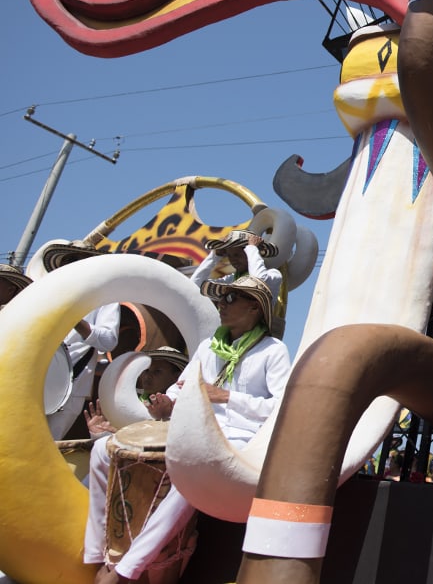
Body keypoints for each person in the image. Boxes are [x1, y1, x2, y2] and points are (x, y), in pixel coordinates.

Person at [83, 275, 291, 584]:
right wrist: (167, 403)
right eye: (221, 298)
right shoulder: (210, 346)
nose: (222, 304)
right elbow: (184, 388)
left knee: (191, 471)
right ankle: (100, 553)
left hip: (239, 440)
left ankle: (128, 568)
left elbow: (282, 407)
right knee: (103, 449)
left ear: (254, 308)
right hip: (194, 429)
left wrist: (228, 397)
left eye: (231, 299)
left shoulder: (273, 351)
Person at [40, 240, 122, 439]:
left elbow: (109, 340)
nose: (73, 265)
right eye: (69, 260)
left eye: (78, 260)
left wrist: (75, 319)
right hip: (37, 378)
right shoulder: (47, 296)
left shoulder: (106, 299)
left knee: (48, 443)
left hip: (73, 385)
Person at [82, 346, 190, 439]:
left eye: (158, 371)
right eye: (146, 370)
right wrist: (100, 433)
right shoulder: (135, 401)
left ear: (176, 377)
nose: (148, 376)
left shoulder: (185, 403)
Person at [190, 229, 282, 300]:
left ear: (250, 254)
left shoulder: (273, 275)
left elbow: (258, 281)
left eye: (237, 255)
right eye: (229, 255)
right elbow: (193, 286)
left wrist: (252, 248)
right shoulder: (231, 280)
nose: (233, 260)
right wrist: (215, 256)